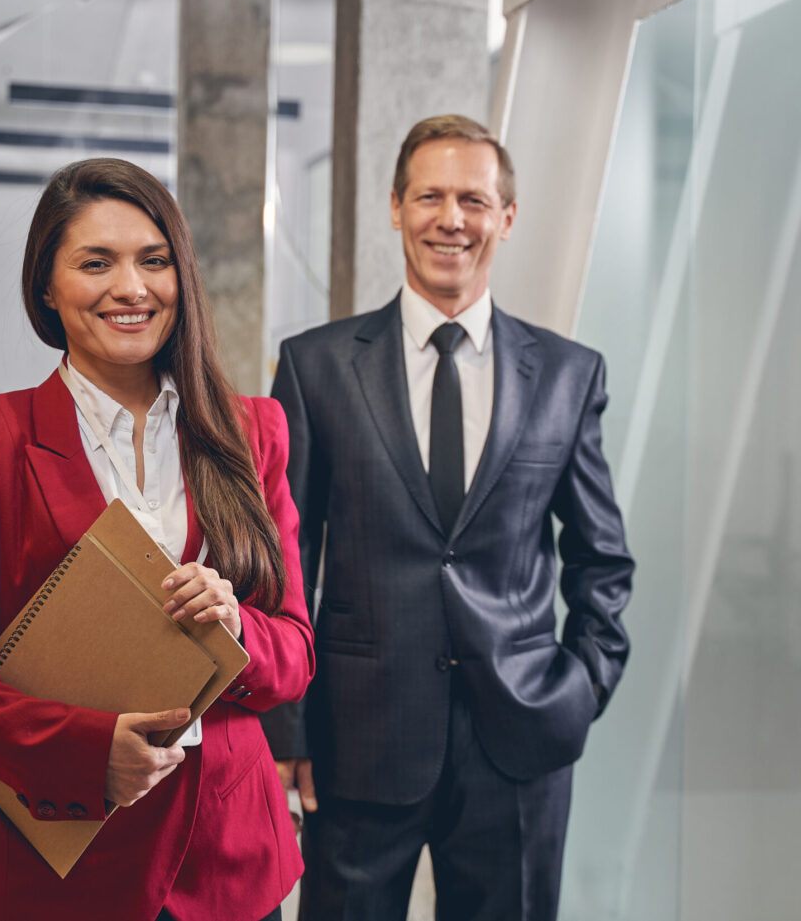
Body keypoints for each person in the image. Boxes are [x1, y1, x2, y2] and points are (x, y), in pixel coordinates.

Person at [0, 158, 315, 921]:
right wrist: (83, 750)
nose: (132, 288)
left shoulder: (251, 433)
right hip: (55, 865)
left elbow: (296, 650)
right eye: (95, 262)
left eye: (154, 261)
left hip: (226, 860)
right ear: (47, 286)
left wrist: (234, 626)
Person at [262, 115, 634, 921]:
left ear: (506, 217)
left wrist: (581, 686)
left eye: (474, 198)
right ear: (395, 207)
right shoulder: (315, 365)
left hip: (522, 743)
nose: (451, 218)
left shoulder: (569, 375)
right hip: (357, 741)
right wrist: (286, 729)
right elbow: (283, 557)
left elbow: (602, 559)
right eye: (430, 195)